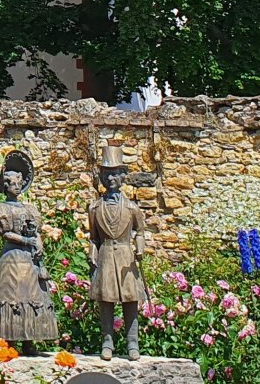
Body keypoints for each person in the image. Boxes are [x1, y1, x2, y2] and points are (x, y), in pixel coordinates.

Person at [0, 149, 60, 351]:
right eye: (11, 183)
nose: (15, 186)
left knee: (31, 296)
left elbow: (36, 231)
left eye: (18, 183)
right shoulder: (1, 209)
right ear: (4, 185)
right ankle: (9, 340)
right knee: (11, 297)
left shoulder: (29, 209)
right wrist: (27, 240)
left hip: (29, 260)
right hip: (12, 258)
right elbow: (6, 234)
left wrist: (39, 242)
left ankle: (29, 341)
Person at [86, 143, 148, 360]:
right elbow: (93, 237)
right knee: (106, 301)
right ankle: (107, 342)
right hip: (105, 256)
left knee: (130, 301)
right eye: (106, 174)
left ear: (123, 177)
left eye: (114, 174)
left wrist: (140, 248)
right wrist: (91, 254)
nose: (110, 179)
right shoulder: (94, 208)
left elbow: (139, 231)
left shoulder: (132, 208)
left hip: (125, 257)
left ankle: (133, 343)